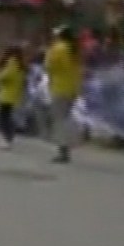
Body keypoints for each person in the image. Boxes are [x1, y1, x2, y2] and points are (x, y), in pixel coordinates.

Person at [44, 25, 83, 163]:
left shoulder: (57, 49)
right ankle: (66, 147)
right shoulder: (75, 49)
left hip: (59, 87)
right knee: (66, 118)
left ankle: (63, 150)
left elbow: (49, 66)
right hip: (72, 88)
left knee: (60, 120)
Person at [0, 45, 26, 149]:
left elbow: (6, 76)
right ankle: (9, 137)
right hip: (14, 93)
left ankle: (6, 139)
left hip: (6, 93)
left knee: (3, 118)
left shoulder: (12, 62)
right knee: (7, 116)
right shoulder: (20, 64)